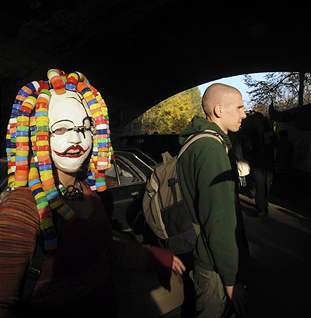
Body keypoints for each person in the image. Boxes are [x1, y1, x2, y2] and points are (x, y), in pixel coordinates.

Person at [0, 69, 185, 318]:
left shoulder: (86, 191)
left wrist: (153, 256)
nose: (77, 138)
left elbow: (102, 251)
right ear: (36, 133)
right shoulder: (22, 207)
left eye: (84, 127)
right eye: (62, 129)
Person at [177, 83, 249, 317]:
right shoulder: (211, 149)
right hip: (214, 267)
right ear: (219, 110)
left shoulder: (197, 143)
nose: (244, 114)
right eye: (239, 107)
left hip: (205, 258)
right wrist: (230, 279)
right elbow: (219, 221)